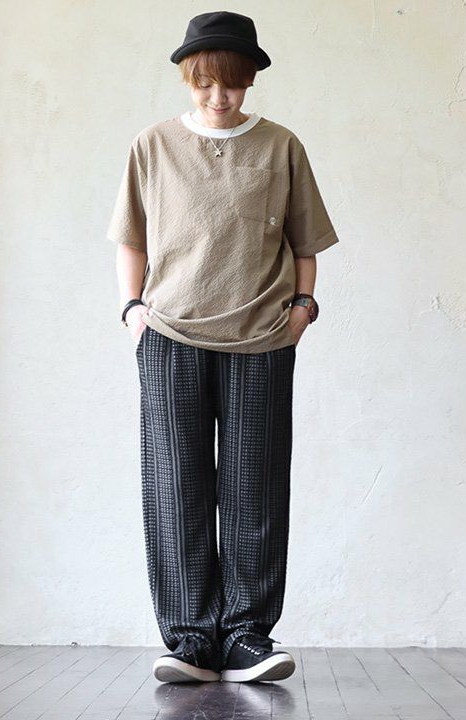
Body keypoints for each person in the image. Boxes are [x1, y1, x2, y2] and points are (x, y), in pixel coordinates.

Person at [107, 11, 339, 684]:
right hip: (170, 336)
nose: (219, 96)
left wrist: (301, 310)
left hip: (262, 337)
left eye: (232, 83)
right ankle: (189, 642)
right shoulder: (152, 145)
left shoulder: (281, 145)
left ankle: (245, 639)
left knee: (254, 488)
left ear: (250, 81)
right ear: (188, 78)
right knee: (175, 485)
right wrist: (133, 310)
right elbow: (131, 238)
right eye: (205, 83)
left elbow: (305, 243)